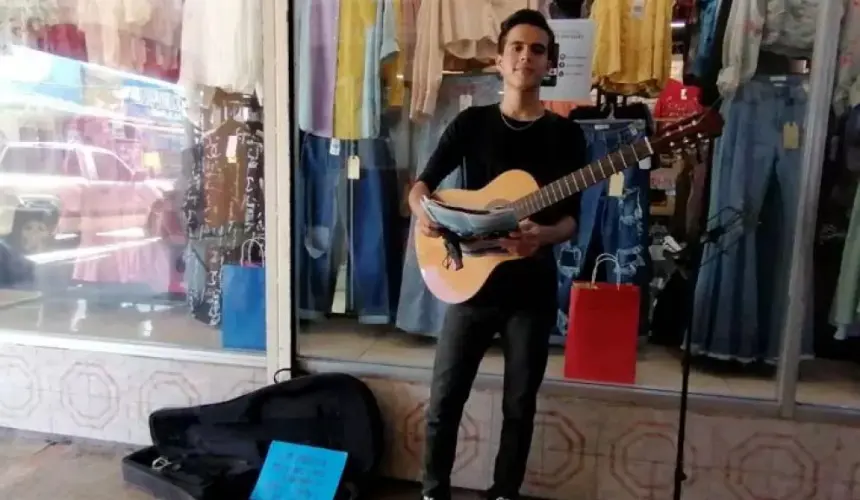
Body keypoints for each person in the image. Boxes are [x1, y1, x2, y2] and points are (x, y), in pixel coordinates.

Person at [407, 9, 589, 500]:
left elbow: (571, 220)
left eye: (537, 49)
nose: (526, 57)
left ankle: (504, 492)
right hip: (470, 278)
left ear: (549, 63)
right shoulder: (471, 123)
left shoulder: (568, 136)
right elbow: (423, 183)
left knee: (519, 404)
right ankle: (432, 491)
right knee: (445, 398)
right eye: (517, 47)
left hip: (531, 288)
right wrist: (422, 212)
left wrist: (540, 238)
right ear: (498, 59)